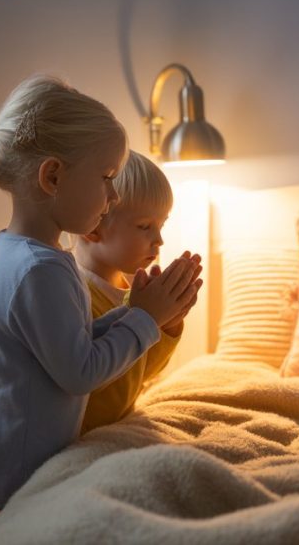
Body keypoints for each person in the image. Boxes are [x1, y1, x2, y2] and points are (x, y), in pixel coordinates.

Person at [0, 74, 202, 543]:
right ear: (53, 177)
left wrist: (139, 311)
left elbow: (74, 343)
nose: (113, 196)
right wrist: (142, 317)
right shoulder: (41, 269)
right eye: (105, 179)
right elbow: (81, 371)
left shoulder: (28, 255)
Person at [73, 150, 186, 434]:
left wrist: (168, 324)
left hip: (117, 428)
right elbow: (95, 379)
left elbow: (139, 372)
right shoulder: (74, 293)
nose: (159, 240)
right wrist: (145, 316)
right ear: (94, 226)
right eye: (145, 226)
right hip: (84, 437)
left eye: (162, 225)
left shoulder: (129, 288)